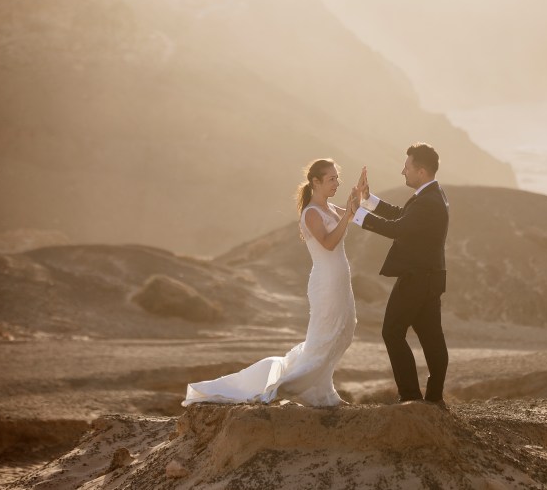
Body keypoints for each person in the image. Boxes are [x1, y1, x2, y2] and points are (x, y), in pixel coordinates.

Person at [182, 159, 358, 408]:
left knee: (345, 330)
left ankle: (323, 391)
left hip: (341, 280)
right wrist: (347, 214)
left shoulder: (331, 209)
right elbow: (329, 243)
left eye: (337, 178)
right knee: (325, 336)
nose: (337, 183)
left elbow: (350, 218)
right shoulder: (311, 213)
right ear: (315, 182)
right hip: (326, 282)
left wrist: (358, 199)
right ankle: (290, 387)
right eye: (331, 179)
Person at [352, 143, 450, 407]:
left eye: (406, 167)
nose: (402, 171)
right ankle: (433, 397)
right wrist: (369, 200)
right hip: (429, 277)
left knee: (392, 332)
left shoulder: (429, 201)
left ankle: (411, 396)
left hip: (417, 278)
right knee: (431, 336)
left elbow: (397, 228)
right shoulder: (432, 195)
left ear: (420, 170)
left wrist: (356, 214)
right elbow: (403, 216)